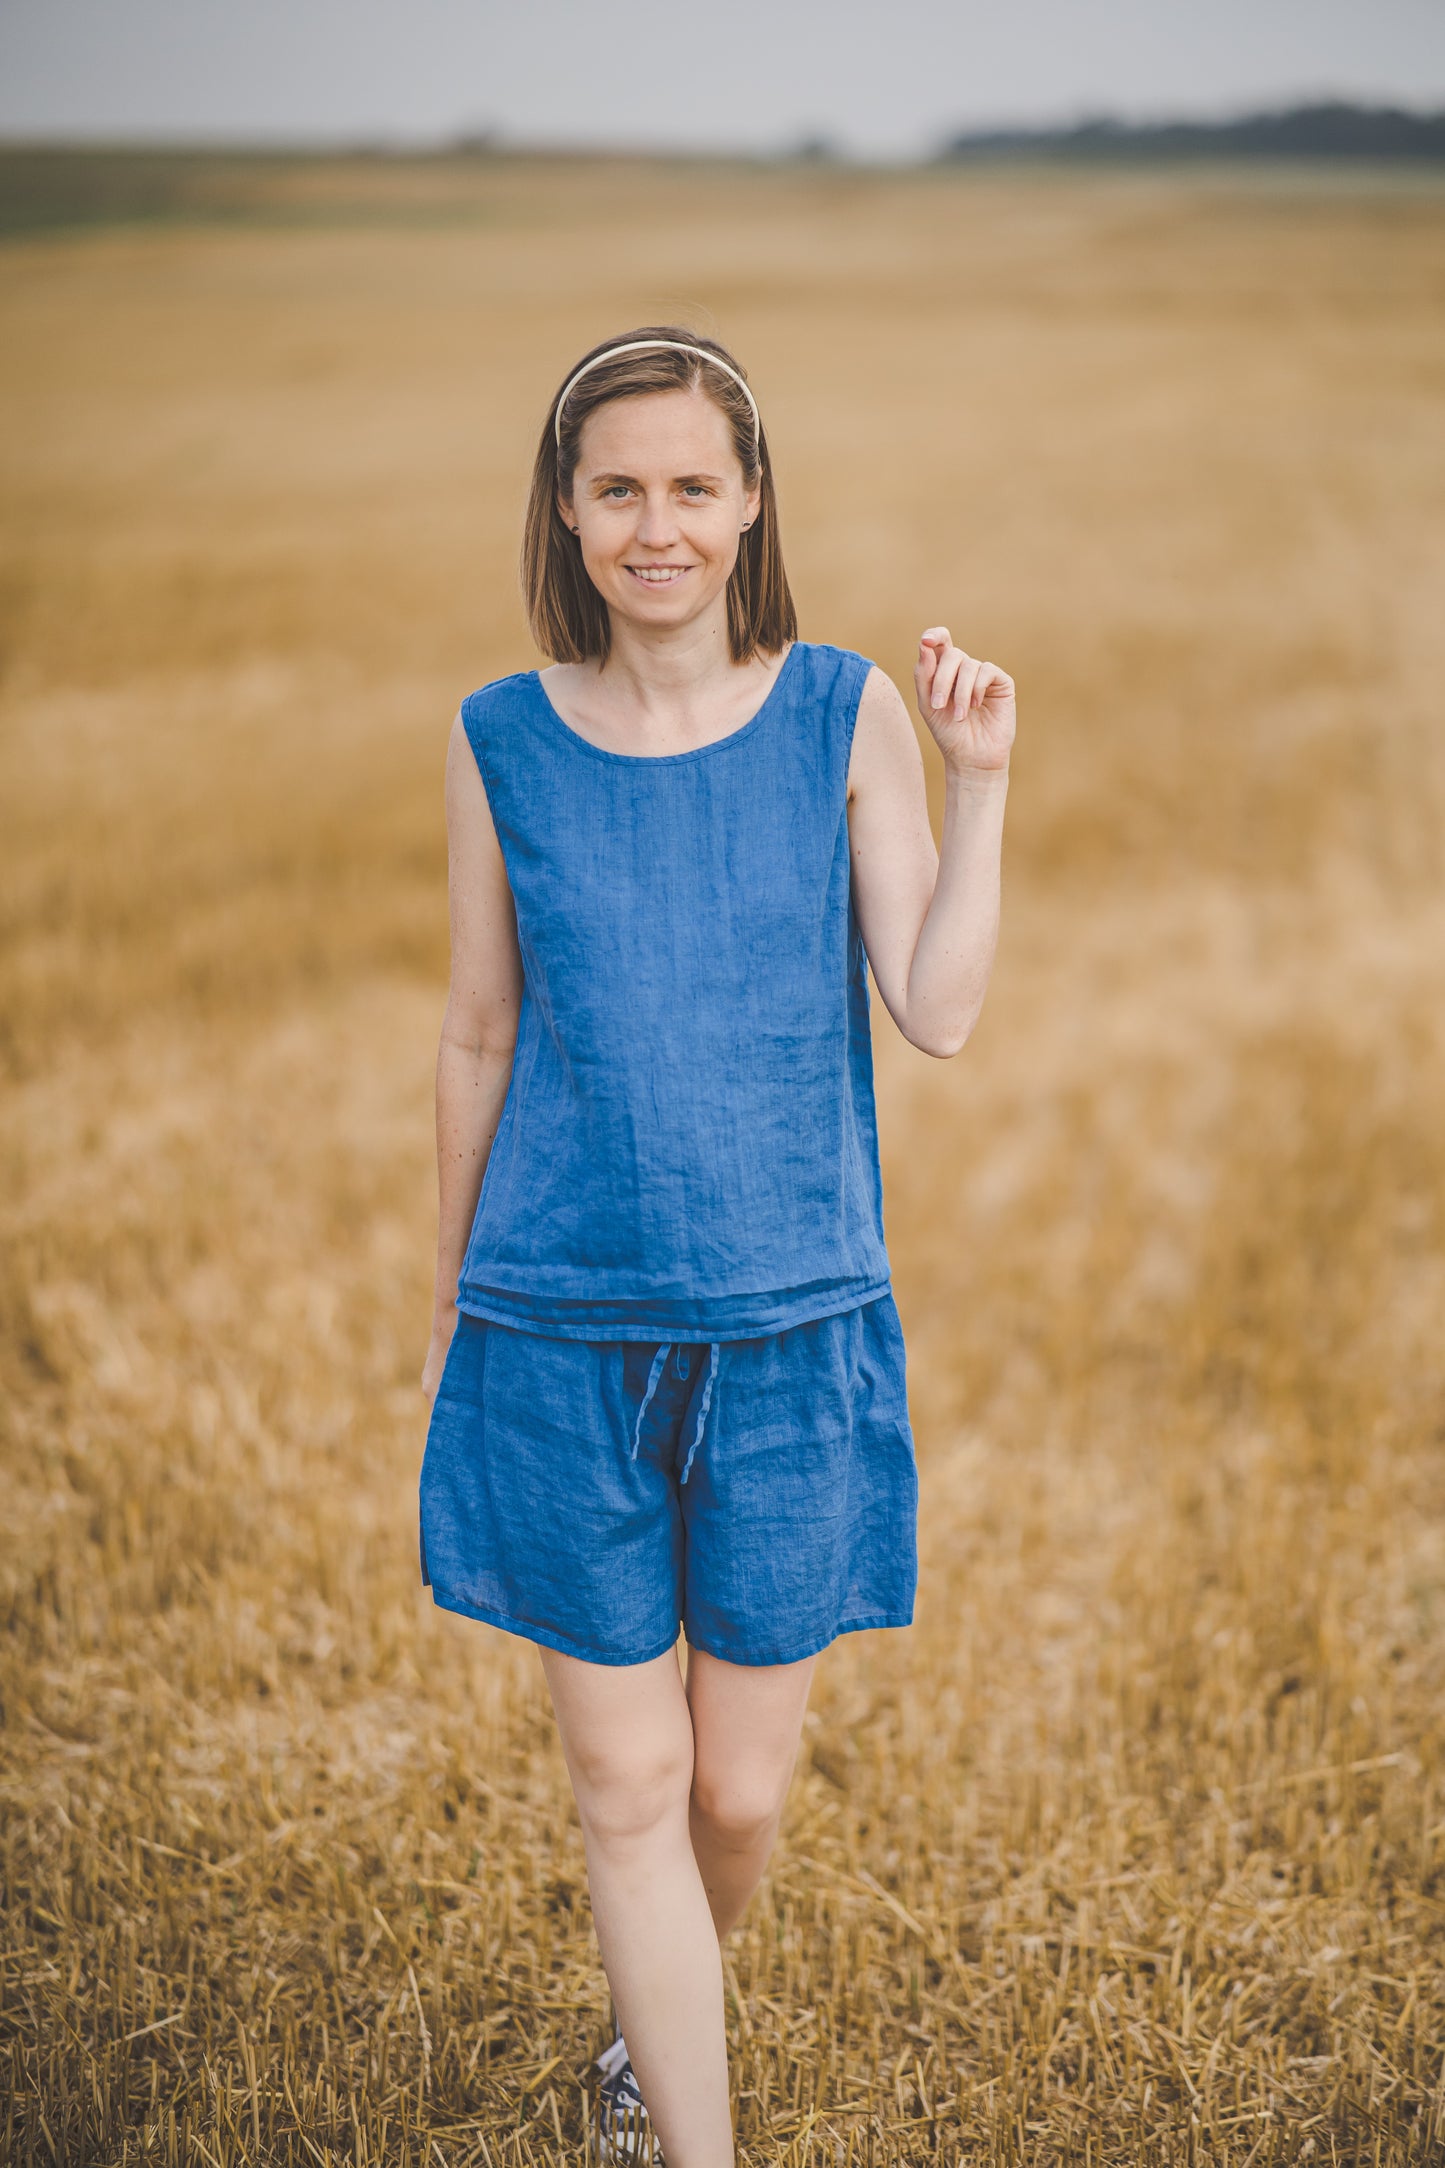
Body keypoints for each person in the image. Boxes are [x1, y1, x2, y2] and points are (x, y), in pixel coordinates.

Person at [418, 327, 1014, 2168]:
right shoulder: (498, 738)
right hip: (557, 1329)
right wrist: (453, 1309)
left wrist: (977, 778)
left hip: (790, 1322)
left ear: (749, 503)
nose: (654, 525)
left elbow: (933, 1009)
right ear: (568, 510)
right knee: (628, 1782)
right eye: (617, 489)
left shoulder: (840, 717)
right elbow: (475, 1034)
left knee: (735, 1798)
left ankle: (642, 2031)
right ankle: (689, 2136)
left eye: (691, 485)